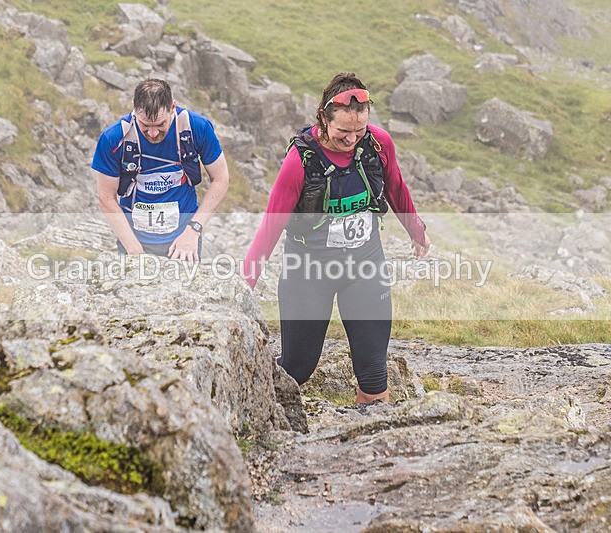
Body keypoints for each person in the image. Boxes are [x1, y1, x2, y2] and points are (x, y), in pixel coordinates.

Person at [242, 72, 431, 405]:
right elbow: (270, 228)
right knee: (297, 368)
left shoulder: (378, 143)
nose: (352, 139)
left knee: (374, 372)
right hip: (308, 272)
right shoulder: (300, 162)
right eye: (344, 131)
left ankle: (371, 446)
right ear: (324, 119)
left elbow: (397, 188)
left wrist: (417, 230)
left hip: (365, 266)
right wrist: (245, 285)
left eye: (359, 130)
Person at [92, 78, 229, 262]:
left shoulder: (197, 128)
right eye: (145, 126)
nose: (153, 133)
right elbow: (106, 197)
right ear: (134, 108)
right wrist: (134, 252)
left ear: (172, 107)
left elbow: (220, 179)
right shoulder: (114, 138)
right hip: (133, 239)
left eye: (160, 125)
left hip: (184, 239)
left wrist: (193, 230)